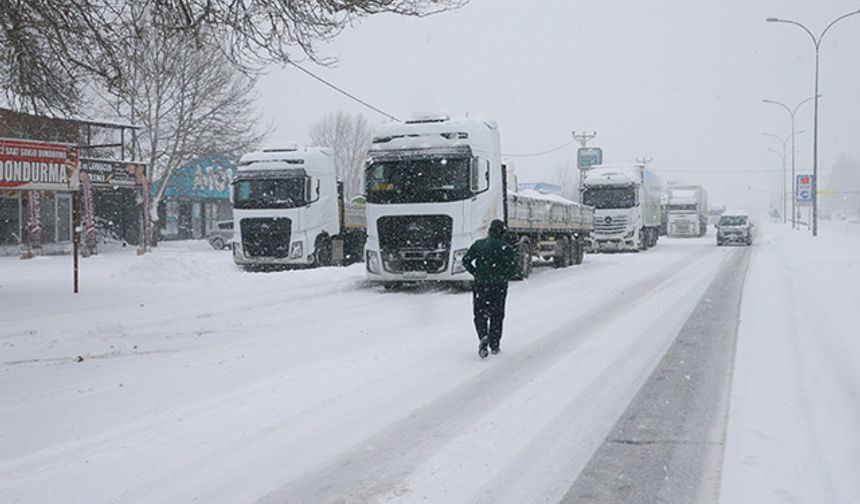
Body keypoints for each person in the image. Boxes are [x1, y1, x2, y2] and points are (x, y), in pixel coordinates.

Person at [461, 219, 518, 359]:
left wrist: (476, 273)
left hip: (481, 285)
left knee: (479, 314)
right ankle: (495, 343)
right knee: (497, 314)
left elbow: (465, 260)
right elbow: (513, 267)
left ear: (490, 230)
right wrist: (504, 276)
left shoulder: (479, 245)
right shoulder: (506, 247)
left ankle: (483, 336)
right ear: (502, 232)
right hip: (499, 286)